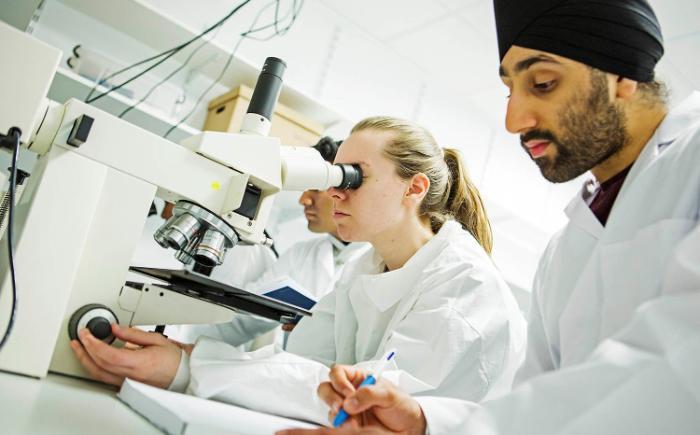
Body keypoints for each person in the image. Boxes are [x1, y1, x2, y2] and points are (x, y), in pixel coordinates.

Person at [279, 1, 700, 434]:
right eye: (509, 91)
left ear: (621, 73)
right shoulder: (565, 251)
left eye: (543, 82)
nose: (514, 120)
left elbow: (676, 370)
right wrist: (425, 424)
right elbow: (535, 407)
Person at [71, 116, 526, 425]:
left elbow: (370, 398)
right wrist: (187, 357)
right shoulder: (365, 269)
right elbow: (305, 363)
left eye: (353, 177)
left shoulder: (463, 287)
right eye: (334, 177)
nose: (334, 193)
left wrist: (190, 370)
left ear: (415, 188)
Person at [168, 138, 371, 346]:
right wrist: (178, 342)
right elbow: (244, 316)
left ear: (345, 188)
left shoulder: (380, 260)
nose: (303, 200)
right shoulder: (300, 254)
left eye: (315, 189)